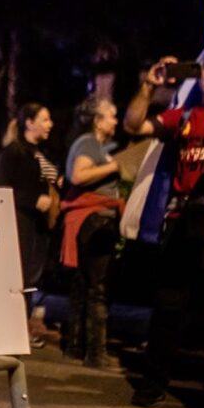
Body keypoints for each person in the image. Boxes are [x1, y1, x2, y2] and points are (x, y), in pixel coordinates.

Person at [123, 53, 204, 408]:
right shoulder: (186, 116)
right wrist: (149, 85)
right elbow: (133, 126)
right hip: (185, 218)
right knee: (168, 305)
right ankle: (153, 383)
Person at [60, 95, 125, 371]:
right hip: (93, 219)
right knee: (97, 288)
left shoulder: (97, 145)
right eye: (111, 115)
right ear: (98, 121)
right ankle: (96, 352)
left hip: (91, 219)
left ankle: (76, 346)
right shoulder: (87, 143)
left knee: (84, 285)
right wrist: (117, 165)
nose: (116, 121)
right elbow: (78, 176)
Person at [0, 103, 61, 349]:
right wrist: (33, 200)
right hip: (19, 224)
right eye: (44, 119)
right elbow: (3, 187)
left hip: (37, 227)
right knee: (18, 277)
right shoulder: (14, 151)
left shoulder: (39, 152)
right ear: (29, 122)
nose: (49, 124)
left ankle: (21, 329)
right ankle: (12, 332)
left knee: (31, 277)